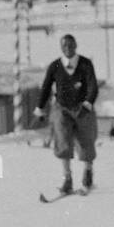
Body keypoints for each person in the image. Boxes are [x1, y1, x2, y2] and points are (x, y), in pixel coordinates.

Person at [34, 34, 99, 194]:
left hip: (82, 108)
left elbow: (93, 86)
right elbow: (46, 88)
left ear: (76, 45)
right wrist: (40, 108)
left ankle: (88, 172)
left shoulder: (85, 64)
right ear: (61, 48)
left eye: (71, 45)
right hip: (62, 108)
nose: (68, 48)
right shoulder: (55, 66)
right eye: (64, 46)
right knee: (62, 141)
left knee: (86, 141)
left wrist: (88, 103)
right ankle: (67, 179)